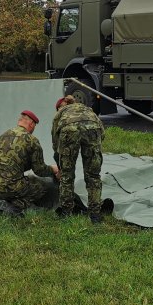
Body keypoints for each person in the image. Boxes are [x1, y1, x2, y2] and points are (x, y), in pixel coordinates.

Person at [0, 110, 60, 216]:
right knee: (39, 186)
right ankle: (14, 208)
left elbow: (3, 161)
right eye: (34, 126)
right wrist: (54, 169)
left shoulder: (4, 135)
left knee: (6, 175)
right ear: (31, 124)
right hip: (6, 188)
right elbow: (40, 170)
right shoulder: (32, 141)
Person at [52, 95, 105, 223]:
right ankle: (95, 214)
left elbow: (55, 142)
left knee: (67, 175)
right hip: (92, 128)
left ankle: (66, 211)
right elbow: (102, 132)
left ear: (60, 107)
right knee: (93, 176)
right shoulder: (87, 109)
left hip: (69, 130)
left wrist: (60, 163)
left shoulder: (60, 113)